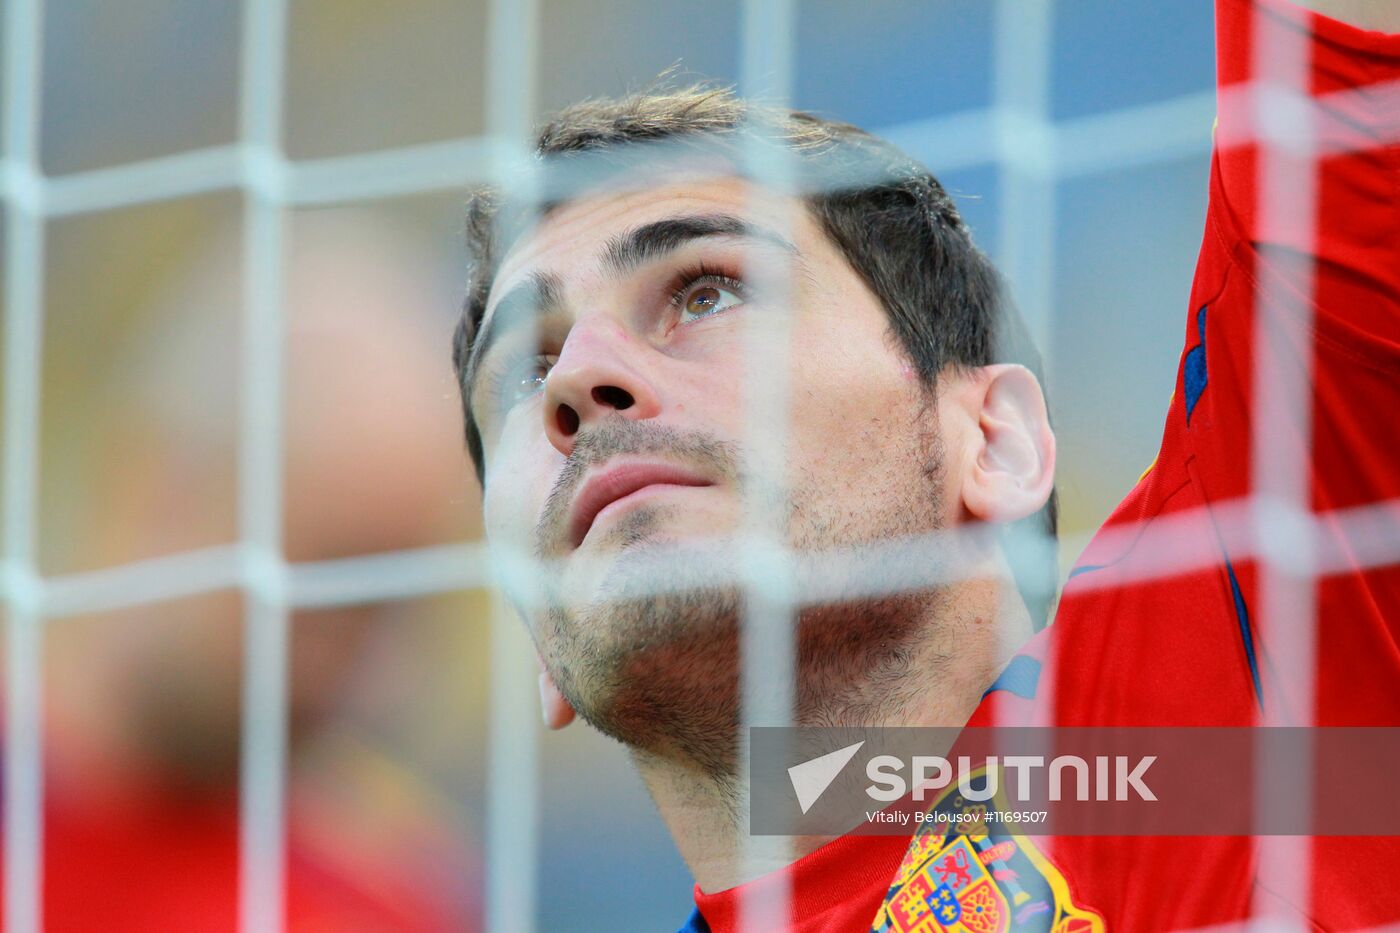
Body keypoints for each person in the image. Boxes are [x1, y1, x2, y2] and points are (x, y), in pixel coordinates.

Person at [451, 0, 1400, 928]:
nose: (579, 379)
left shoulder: (1247, 647)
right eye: (525, 373)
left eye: (705, 291)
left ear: (996, 441)